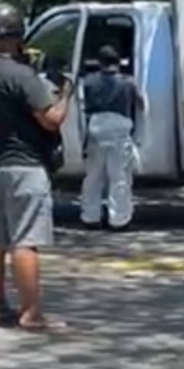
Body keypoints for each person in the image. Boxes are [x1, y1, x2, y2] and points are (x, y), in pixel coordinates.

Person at [0, 2, 70, 331]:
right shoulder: (21, 75)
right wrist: (65, 92)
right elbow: (51, 119)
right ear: (14, 37)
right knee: (25, 242)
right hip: (23, 166)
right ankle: (31, 313)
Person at [79, 45, 143, 230]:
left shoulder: (89, 81)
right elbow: (141, 104)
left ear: (99, 62)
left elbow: (83, 105)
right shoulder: (127, 82)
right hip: (119, 129)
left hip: (96, 128)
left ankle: (90, 217)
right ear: (118, 62)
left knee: (93, 176)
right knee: (119, 177)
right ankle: (119, 220)